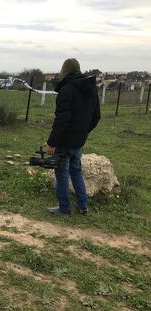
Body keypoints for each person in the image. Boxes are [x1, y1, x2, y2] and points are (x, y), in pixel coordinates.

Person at [45, 58, 101, 216]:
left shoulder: (67, 90)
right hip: (78, 142)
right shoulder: (91, 88)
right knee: (76, 172)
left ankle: (64, 208)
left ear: (65, 71)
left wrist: (51, 143)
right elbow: (96, 116)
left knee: (62, 174)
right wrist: (83, 132)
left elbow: (61, 120)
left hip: (64, 143)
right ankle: (83, 206)